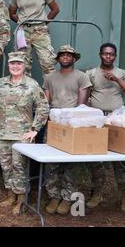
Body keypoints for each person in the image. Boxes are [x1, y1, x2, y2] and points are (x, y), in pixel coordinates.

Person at [0, 51, 49, 215]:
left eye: (18, 63)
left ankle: (21, 199)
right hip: (2, 134)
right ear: (8, 65)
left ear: (24, 65)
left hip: (22, 136)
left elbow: (43, 107)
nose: (15, 66)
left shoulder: (32, 85)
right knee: (6, 167)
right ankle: (10, 194)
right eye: (12, 63)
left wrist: (35, 129)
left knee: (19, 167)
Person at [86, 42, 125, 212]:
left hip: (118, 118)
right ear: (100, 55)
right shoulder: (91, 73)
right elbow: (84, 97)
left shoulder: (122, 73)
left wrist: (117, 79)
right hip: (98, 118)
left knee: (120, 159)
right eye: (105, 53)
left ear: (115, 56)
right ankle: (97, 193)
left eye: (111, 54)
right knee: (96, 158)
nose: (108, 56)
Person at [42, 45, 92, 215]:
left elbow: (82, 104)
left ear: (74, 58)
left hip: (72, 123)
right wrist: (48, 119)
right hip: (54, 122)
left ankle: (67, 196)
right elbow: (46, 101)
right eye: (62, 55)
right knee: (51, 162)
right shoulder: (49, 77)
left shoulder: (82, 77)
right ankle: (54, 195)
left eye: (68, 55)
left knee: (70, 163)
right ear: (58, 58)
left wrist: (74, 121)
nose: (65, 57)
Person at [9, 0, 59, 77]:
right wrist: (22, 22)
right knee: (22, 62)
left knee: (47, 62)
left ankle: (50, 93)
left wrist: (44, 22)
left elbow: (55, 9)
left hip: (40, 30)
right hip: (23, 31)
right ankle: (25, 91)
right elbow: (11, 13)